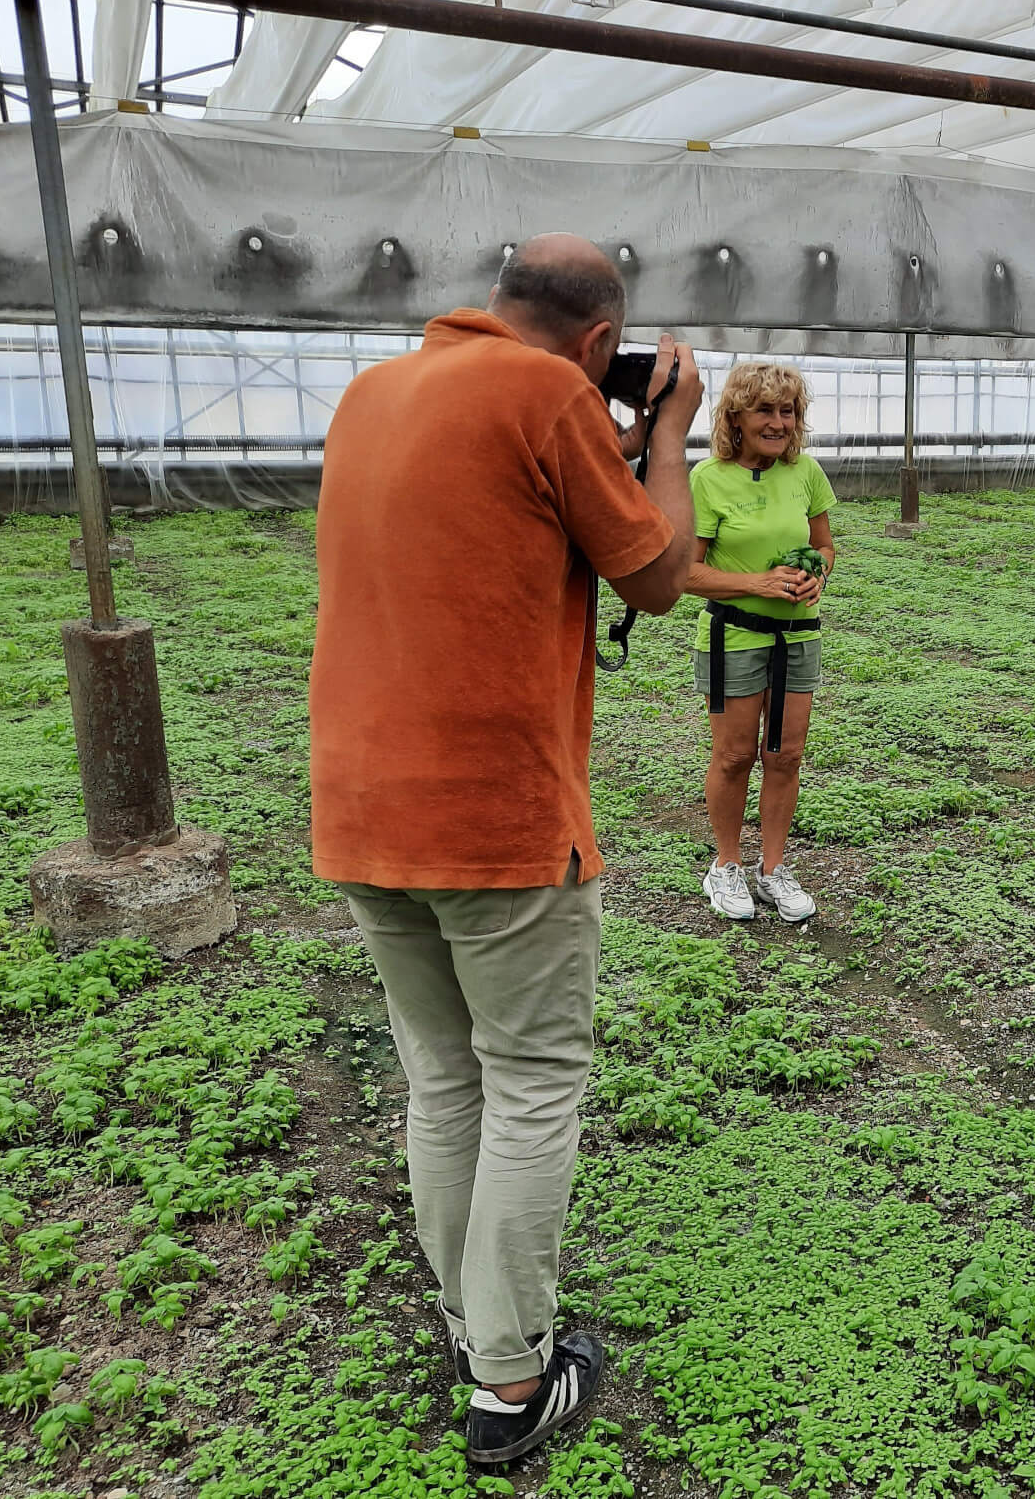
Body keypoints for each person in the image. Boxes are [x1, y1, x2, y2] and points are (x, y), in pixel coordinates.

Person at [308, 233, 702, 1463]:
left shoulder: (374, 392)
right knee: (532, 1082)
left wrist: (612, 445)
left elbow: (519, 523)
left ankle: (468, 1319)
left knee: (444, 1077)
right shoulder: (545, 392)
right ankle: (512, 1381)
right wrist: (670, 437)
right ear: (597, 343)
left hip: (362, 804)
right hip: (494, 816)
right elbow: (651, 574)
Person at [685, 361, 835, 924]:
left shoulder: (807, 473)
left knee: (786, 754)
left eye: (788, 410)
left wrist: (815, 574)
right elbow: (686, 572)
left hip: (797, 635)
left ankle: (772, 869)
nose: (779, 422)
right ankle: (725, 864)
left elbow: (824, 546)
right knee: (734, 754)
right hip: (735, 637)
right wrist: (757, 583)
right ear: (736, 418)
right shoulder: (707, 478)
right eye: (766, 410)